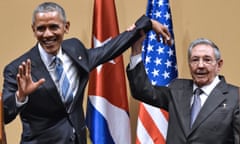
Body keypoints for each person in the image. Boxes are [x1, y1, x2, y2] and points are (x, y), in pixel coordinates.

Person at [1, 2, 172, 144]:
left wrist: (146, 24)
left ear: (65, 27)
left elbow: (108, 49)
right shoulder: (18, 69)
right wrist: (20, 97)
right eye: (41, 28)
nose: (47, 34)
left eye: (54, 27)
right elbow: (5, 116)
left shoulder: (75, 50)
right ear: (33, 29)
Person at [127, 37, 240, 143]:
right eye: (195, 60)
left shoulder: (235, 97)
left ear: (219, 65)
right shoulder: (177, 89)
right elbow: (142, 91)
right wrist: (136, 49)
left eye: (207, 60)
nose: (200, 65)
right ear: (189, 64)